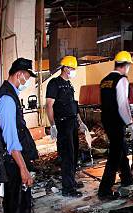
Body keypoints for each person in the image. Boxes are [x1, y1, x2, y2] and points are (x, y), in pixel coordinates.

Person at [0, 58, 47, 213]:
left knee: (12, 199)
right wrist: (23, 169)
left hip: (10, 158)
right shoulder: (6, 99)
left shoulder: (8, 95)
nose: (28, 80)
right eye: (28, 76)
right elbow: (11, 139)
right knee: (20, 200)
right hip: (12, 159)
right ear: (20, 74)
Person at [46, 55, 88, 197]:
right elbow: (49, 105)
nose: (74, 71)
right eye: (72, 68)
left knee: (74, 154)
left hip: (72, 123)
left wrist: (80, 122)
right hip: (62, 124)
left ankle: (71, 181)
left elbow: (73, 106)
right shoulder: (54, 83)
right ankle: (67, 189)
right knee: (67, 156)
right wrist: (53, 125)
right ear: (65, 68)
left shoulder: (69, 85)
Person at [98, 51, 133, 199]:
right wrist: (130, 124)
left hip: (106, 120)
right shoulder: (122, 80)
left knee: (121, 148)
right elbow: (122, 105)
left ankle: (126, 178)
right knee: (114, 155)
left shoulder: (104, 80)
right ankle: (105, 190)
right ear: (126, 65)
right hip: (116, 121)